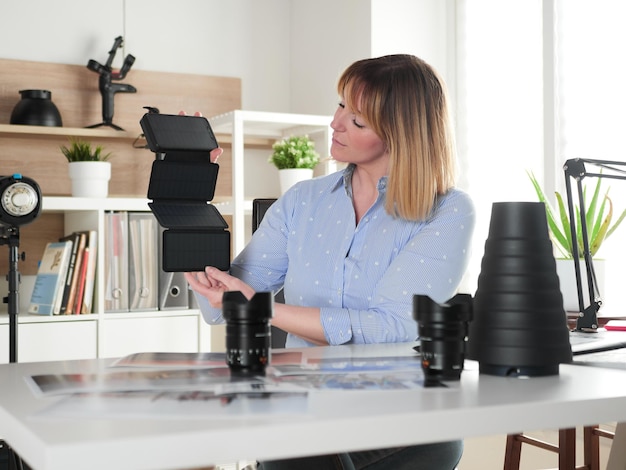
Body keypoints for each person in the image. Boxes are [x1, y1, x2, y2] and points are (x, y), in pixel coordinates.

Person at [185, 54, 475, 470]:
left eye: (357, 121)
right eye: (341, 105)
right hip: (309, 410)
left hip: (403, 421)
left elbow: (392, 327)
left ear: (401, 134)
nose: (335, 123)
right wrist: (192, 205)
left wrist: (261, 308)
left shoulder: (447, 210)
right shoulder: (303, 201)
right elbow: (228, 296)